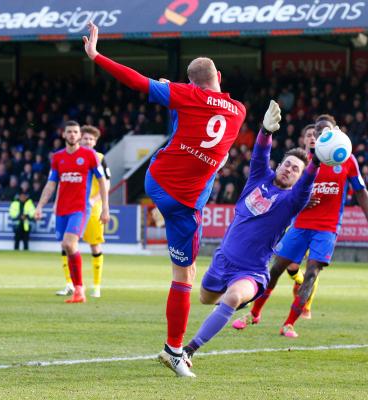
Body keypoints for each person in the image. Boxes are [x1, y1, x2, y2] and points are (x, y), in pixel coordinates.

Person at [83, 21, 246, 376]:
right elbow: (212, 108)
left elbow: (136, 81)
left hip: (157, 181)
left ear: (191, 84)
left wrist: (96, 55)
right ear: (218, 74)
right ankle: (175, 350)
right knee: (185, 276)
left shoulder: (185, 95)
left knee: (177, 126)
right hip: (185, 203)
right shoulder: (239, 111)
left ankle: (175, 348)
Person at [181, 100, 320, 375]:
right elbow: (259, 154)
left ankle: (187, 351)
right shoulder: (259, 178)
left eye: (296, 169)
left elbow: (305, 186)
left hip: (252, 271)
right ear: (279, 165)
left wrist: (316, 160)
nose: (289, 169)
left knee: (232, 298)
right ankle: (234, 301)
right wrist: (265, 131)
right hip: (222, 261)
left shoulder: (292, 200)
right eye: (287, 164)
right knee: (205, 299)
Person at [232, 118, 368, 338]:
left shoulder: (346, 159)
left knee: (311, 274)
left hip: (327, 228)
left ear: (334, 132)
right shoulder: (306, 162)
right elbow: (285, 189)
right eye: (316, 131)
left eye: (324, 131)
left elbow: (360, 190)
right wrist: (300, 198)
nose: (318, 135)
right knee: (274, 270)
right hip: (300, 225)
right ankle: (254, 313)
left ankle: (289, 324)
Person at [34, 121, 109, 304]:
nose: (73, 135)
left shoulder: (91, 156)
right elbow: (52, 183)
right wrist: (40, 205)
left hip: (81, 208)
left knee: (71, 243)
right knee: (67, 247)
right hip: (62, 209)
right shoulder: (58, 157)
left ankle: (81, 289)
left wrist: (105, 208)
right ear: (64, 135)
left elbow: (102, 182)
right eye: (70, 132)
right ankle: (76, 288)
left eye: (76, 132)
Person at [56, 125, 111, 298]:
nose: (87, 141)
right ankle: (70, 284)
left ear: (95, 142)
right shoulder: (72, 156)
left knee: (95, 245)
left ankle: (96, 286)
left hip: (92, 209)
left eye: (91, 139)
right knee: (67, 245)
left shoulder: (100, 158)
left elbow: (106, 182)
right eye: (85, 138)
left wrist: (95, 201)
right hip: (72, 207)